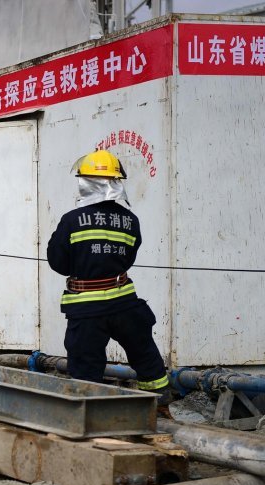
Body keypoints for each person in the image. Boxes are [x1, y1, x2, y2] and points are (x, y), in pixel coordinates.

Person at [46, 149, 172, 408]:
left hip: (86, 308)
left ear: (86, 183)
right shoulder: (130, 221)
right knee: (146, 356)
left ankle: (92, 415)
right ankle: (160, 408)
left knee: (85, 368)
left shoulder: (71, 221)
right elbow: (128, 258)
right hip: (125, 302)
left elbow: (58, 263)